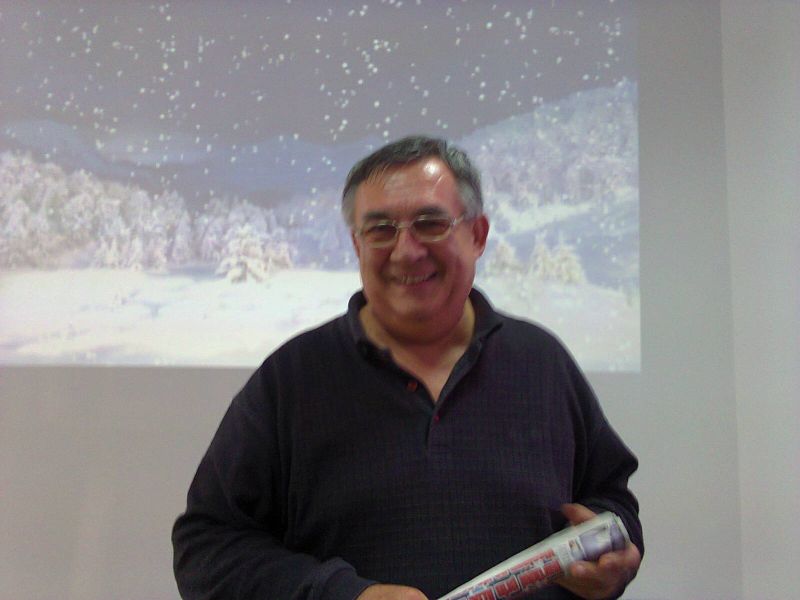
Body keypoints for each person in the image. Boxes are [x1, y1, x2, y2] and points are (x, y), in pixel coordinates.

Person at [172, 135, 643, 600]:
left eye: (430, 224)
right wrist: (342, 595)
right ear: (357, 245)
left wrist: (615, 558)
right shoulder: (291, 380)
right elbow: (206, 549)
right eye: (380, 230)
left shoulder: (541, 364)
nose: (406, 251)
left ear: (477, 235)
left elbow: (611, 503)